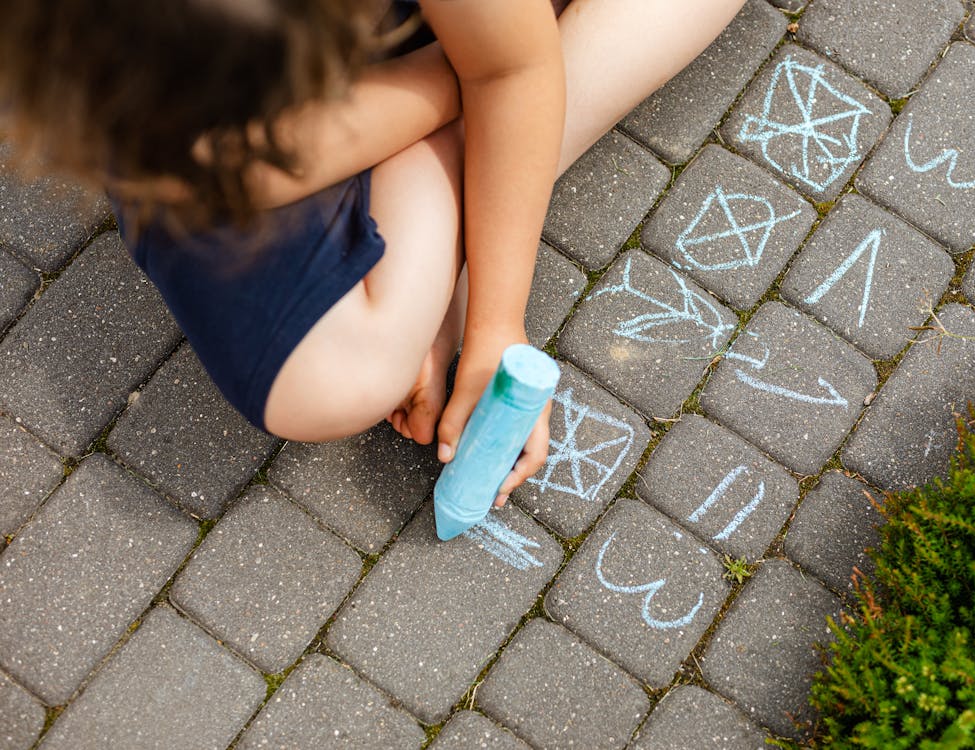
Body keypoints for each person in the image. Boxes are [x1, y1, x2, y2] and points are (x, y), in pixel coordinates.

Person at [0, 0, 744, 506]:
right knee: (323, 379)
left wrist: (492, 325)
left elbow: (509, 70)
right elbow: (194, 162)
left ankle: (472, 161)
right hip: (407, 57)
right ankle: (471, 153)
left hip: (468, 49)